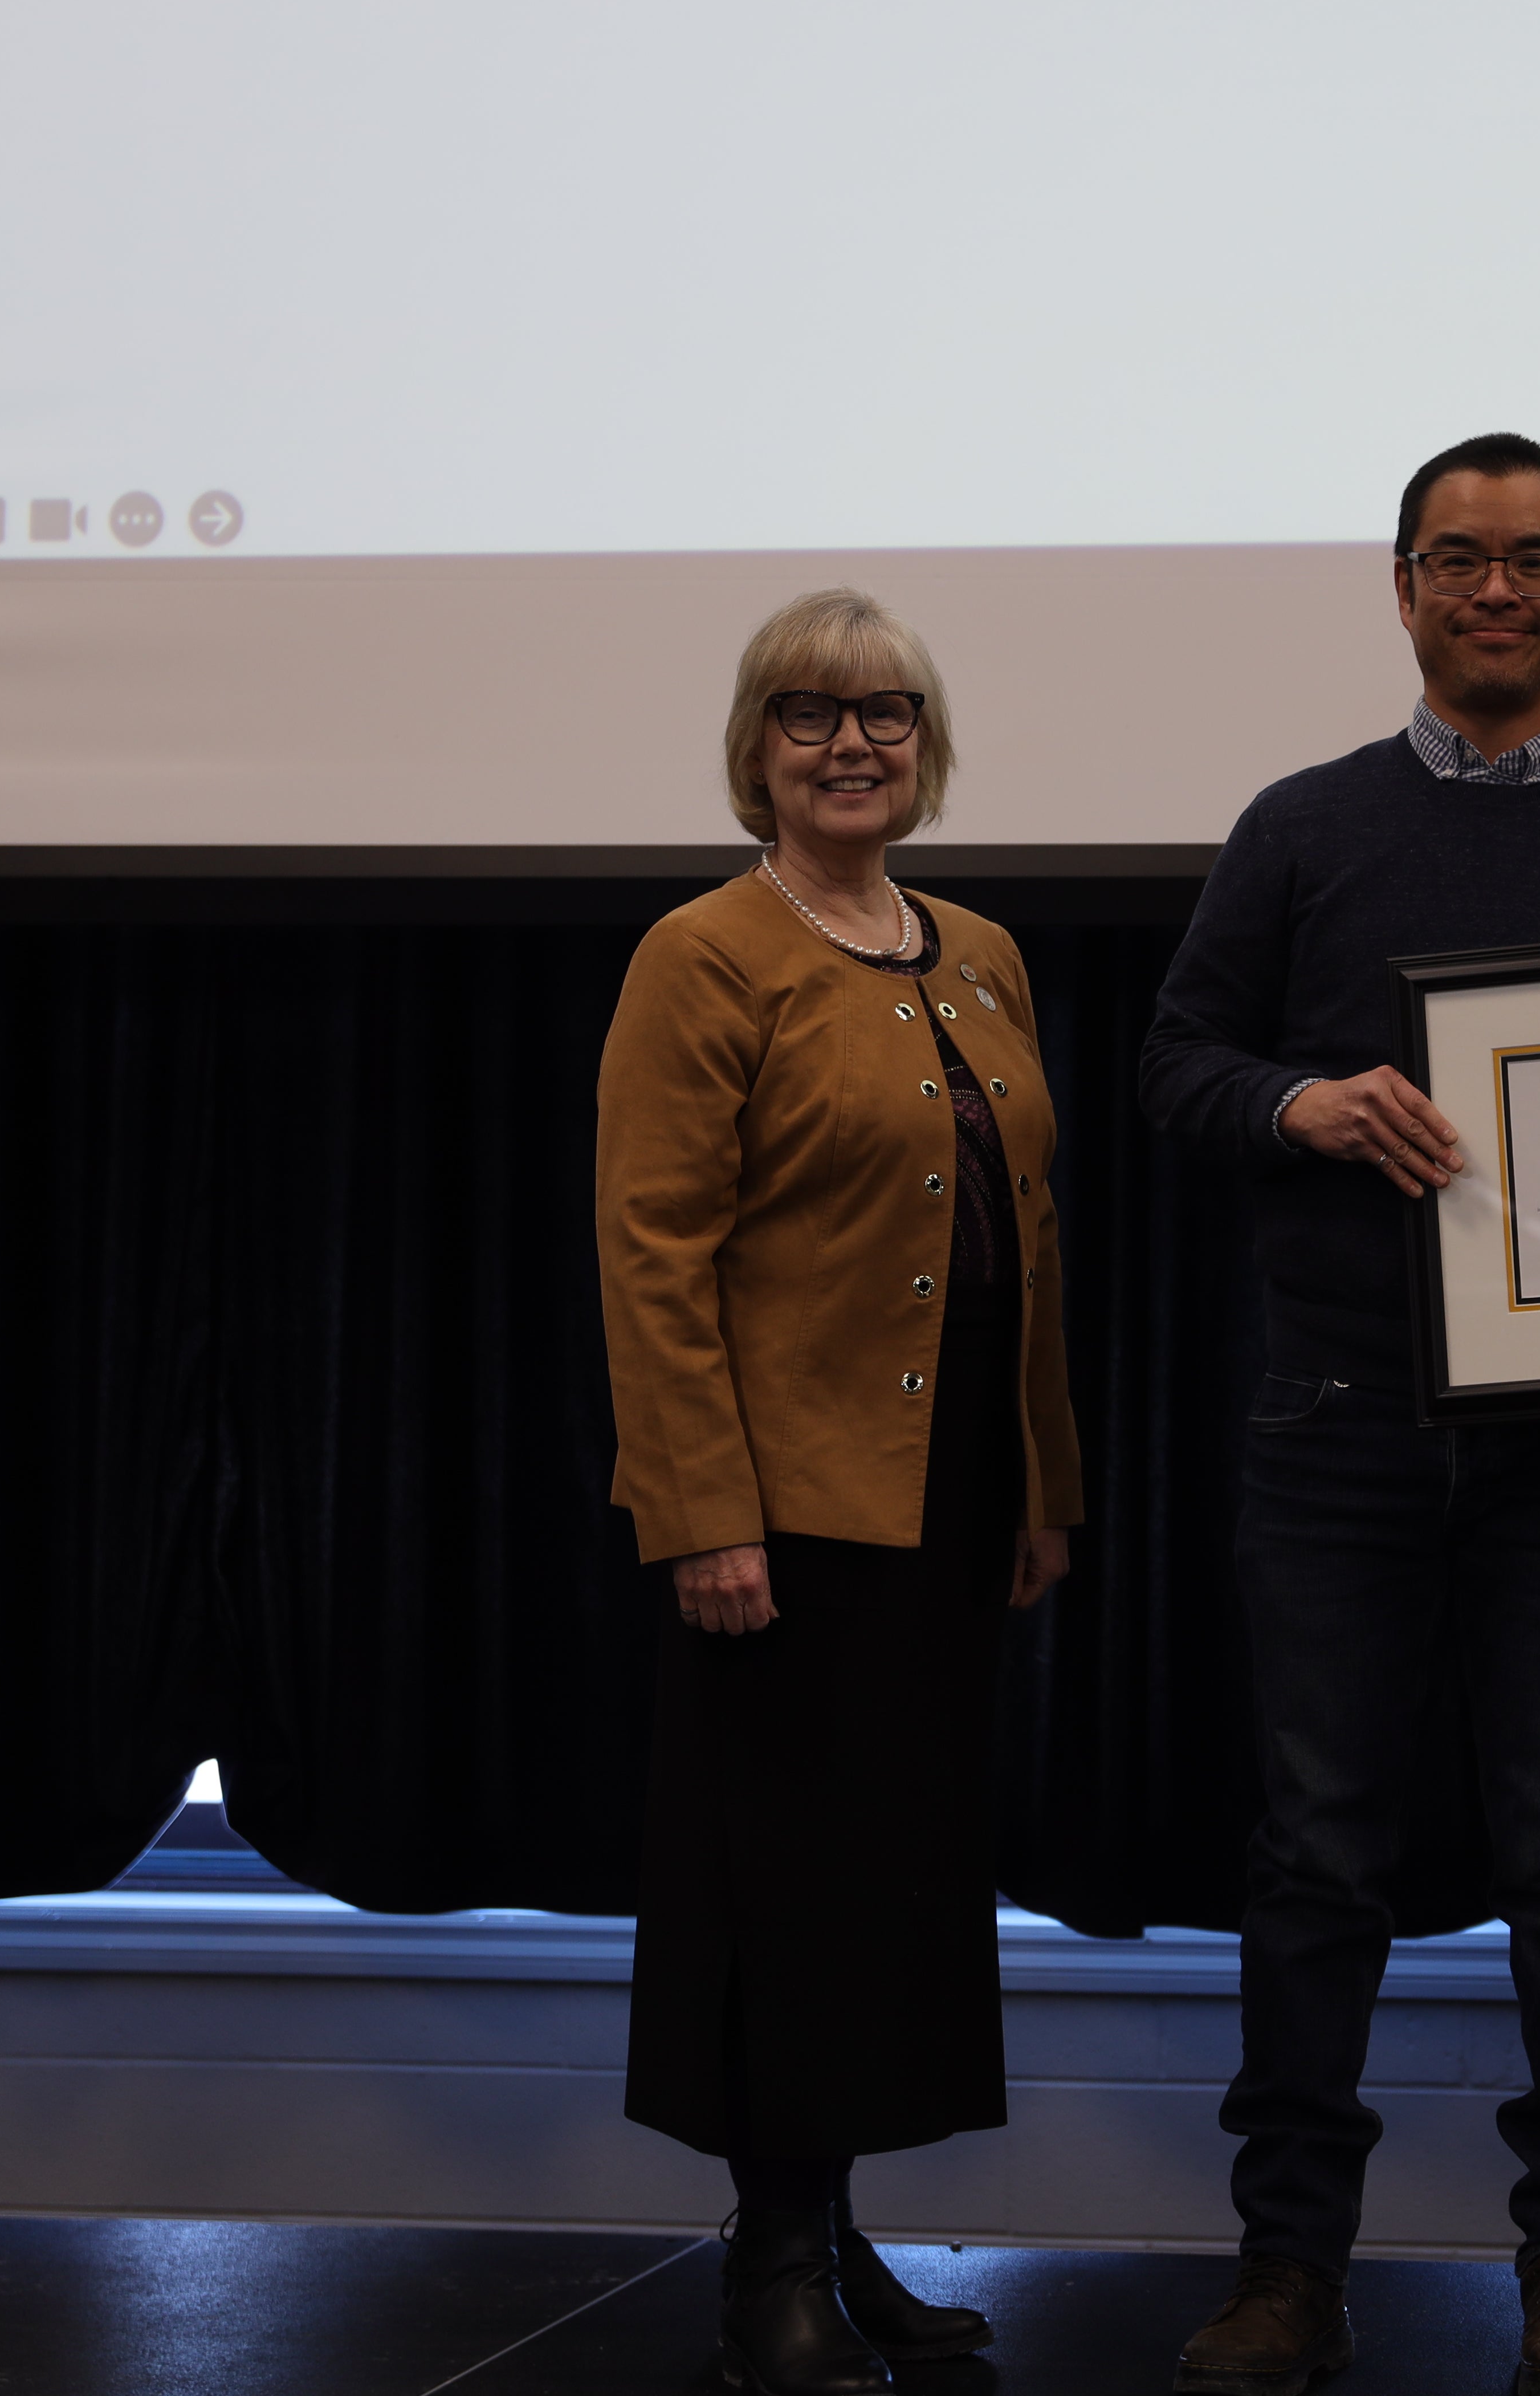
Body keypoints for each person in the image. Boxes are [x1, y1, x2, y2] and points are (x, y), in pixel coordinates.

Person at [1139, 434, 1540, 2396]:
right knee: (1318, 1858)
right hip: (1334, 1428)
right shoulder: (1300, 825)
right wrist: (1300, 1104)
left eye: (1535, 561)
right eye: (1458, 560)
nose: (1498, 592)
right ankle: (1287, 2271)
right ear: (1400, 587)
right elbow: (1177, 1071)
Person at [594, 586, 1084, 2396]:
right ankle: (769, 2263)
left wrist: (1045, 1483)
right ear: (757, 750)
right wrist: (699, 1510)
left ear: (924, 743)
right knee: (783, 1885)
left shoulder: (978, 950)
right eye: (809, 714)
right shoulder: (704, 954)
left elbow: (1024, 1239)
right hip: (785, 1513)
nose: (851, 742)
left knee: (895, 1882)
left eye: (885, 712)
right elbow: (654, 1256)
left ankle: (842, 2228)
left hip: (954, 1501)